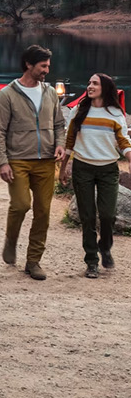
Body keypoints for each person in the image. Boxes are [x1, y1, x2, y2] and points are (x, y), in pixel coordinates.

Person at [0, 45, 67, 281]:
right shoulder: (7, 94)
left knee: (43, 211)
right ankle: (11, 240)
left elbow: (59, 125)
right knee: (21, 205)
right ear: (28, 64)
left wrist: (60, 144)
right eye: (43, 66)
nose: (47, 70)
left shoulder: (51, 93)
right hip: (18, 160)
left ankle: (33, 261)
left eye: (48, 66)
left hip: (46, 160)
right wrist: (2, 162)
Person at [58, 73, 130, 279]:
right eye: (89, 82)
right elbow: (69, 141)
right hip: (83, 168)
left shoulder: (116, 113)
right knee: (87, 216)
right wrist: (63, 169)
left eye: (94, 83)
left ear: (105, 88)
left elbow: (123, 141)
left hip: (108, 169)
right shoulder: (79, 110)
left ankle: (105, 247)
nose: (89, 86)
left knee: (108, 215)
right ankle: (91, 261)